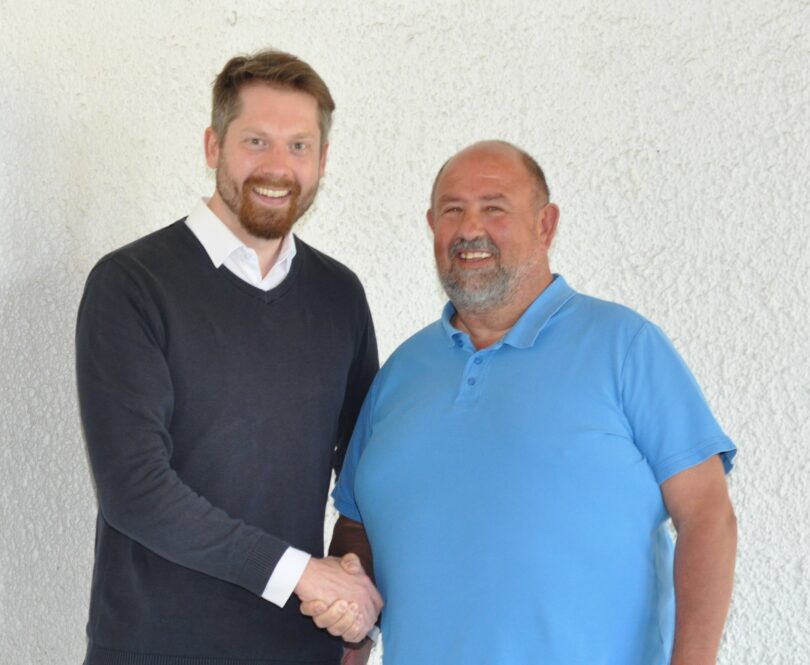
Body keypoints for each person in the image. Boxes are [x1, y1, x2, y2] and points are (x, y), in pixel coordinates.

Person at [310, 140, 737, 664]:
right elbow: (357, 529)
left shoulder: (625, 346)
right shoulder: (400, 374)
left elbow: (707, 515)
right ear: (432, 226)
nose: (470, 229)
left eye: (494, 208)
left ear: (545, 224)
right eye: (452, 210)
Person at [76, 49, 382, 665]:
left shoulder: (338, 296)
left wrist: (356, 607)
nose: (278, 166)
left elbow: (367, 475)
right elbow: (136, 489)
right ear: (214, 145)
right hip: (155, 650)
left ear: (323, 161)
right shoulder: (132, 284)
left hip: (300, 650)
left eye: (299, 146)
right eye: (256, 141)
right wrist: (303, 575)